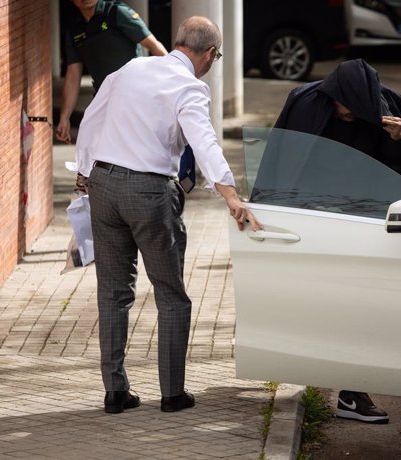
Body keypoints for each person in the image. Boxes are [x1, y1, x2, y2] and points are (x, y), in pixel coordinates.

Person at [75, 16, 261, 414]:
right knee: (171, 295)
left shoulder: (131, 67)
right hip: (148, 193)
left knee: (113, 293)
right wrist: (229, 194)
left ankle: (115, 393)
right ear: (209, 54)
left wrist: (83, 169)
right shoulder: (190, 87)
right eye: (216, 57)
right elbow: (204, 140)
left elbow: (93, 116)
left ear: (178, 43)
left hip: (103, 186)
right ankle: (172, 395)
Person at [273, 58, 401, 424]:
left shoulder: (387, 107)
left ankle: (351, 393)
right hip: (313, 221)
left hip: (362, 225)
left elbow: (396, 171)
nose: (349, 113)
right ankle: (305, 366)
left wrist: (396, 139)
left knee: (360, 308)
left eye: (357, 109)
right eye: (343, 107)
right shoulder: (305, 102)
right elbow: (279, 157)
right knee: (313, 304)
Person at [56, 0, 169, 143]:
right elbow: (73, 75)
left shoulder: (117, 12)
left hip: (136, 99)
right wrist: (64, 117)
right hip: (104, 103)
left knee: (140, 148)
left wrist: (174, 86)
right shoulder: (74, 30)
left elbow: (155, 47)